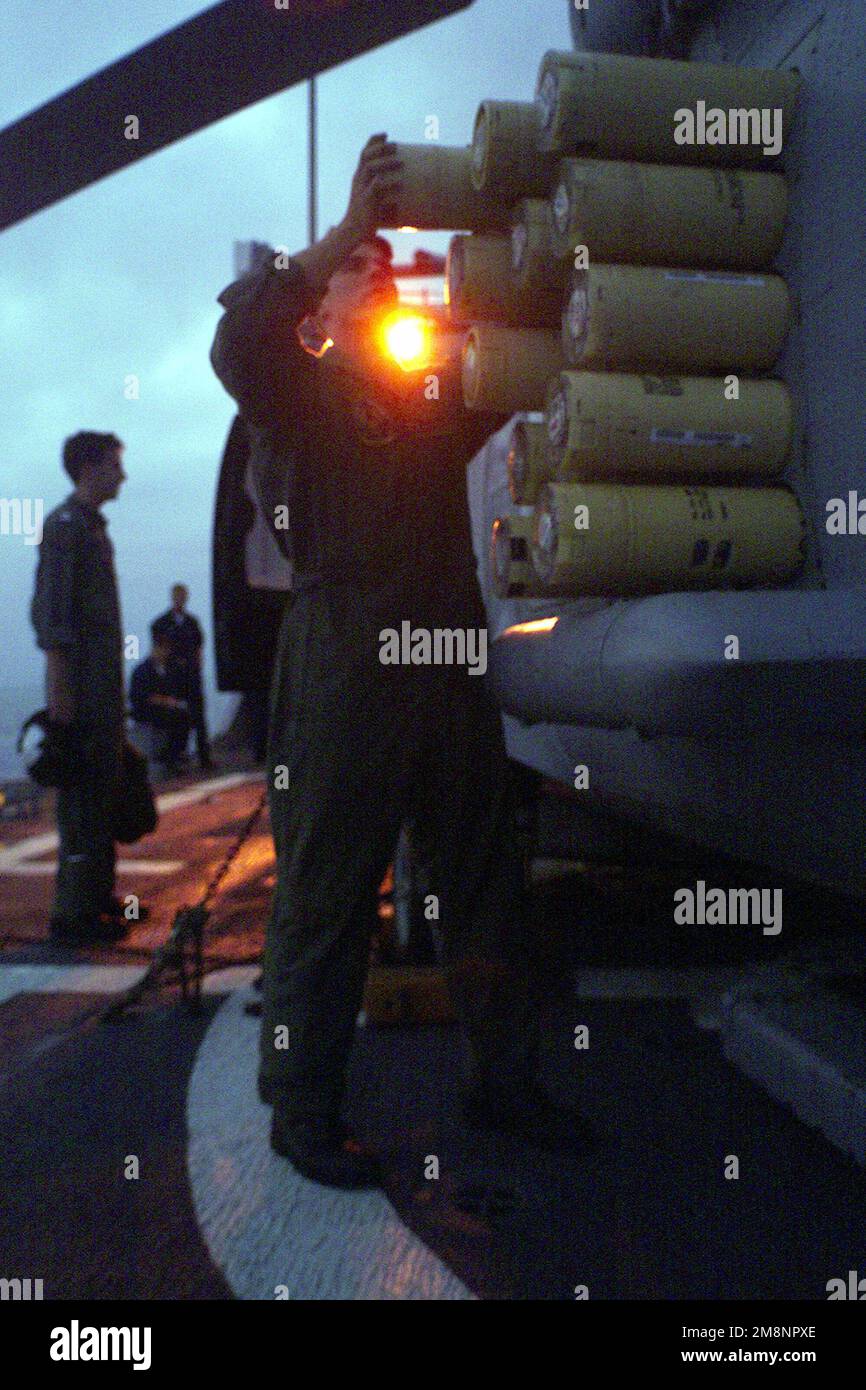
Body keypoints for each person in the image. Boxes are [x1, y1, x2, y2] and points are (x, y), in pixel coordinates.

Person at [210, 133, 590, 1189]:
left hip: (446, 653)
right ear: (316, 306)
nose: (372, 281)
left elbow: (520, 348)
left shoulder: (423, 393)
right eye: (351, 274)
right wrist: (342, 230)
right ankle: (302, 1110)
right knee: (329, 895)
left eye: (382, 271)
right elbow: (236, 344)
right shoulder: (286, 390)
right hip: (345, 658)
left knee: (482, 880)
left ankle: (500, 1080)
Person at [30, 431, 130, 943]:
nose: (123, 475)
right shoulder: (65, 529)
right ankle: (73, 916)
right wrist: (63, 713)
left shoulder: (92, 530)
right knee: (81, 805)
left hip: (103, 696)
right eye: (115, 465)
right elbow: (54, 629)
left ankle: (97, 898)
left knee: (102, 799)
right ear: (89, 467)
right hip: (82, 700)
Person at [152, 584, 212, 770]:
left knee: (198, 717)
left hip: (191, 676)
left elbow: (199, 647)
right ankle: (176, 757)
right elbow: (159, 649)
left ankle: (204, 757)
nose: (180, 599)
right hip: (173, 677)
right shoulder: (161, 623)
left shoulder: (192, 622)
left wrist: (197, 666)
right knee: (175, 717)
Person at [129, 625, 191, 777]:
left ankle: (174, 756)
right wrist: (164, 701)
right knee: (175, 718)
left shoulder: (170, 669)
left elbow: (177, 690)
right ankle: (168, 757)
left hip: (166, 709)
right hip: (147, 710)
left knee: (185, 718)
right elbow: (140, 696)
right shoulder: (142, 670)